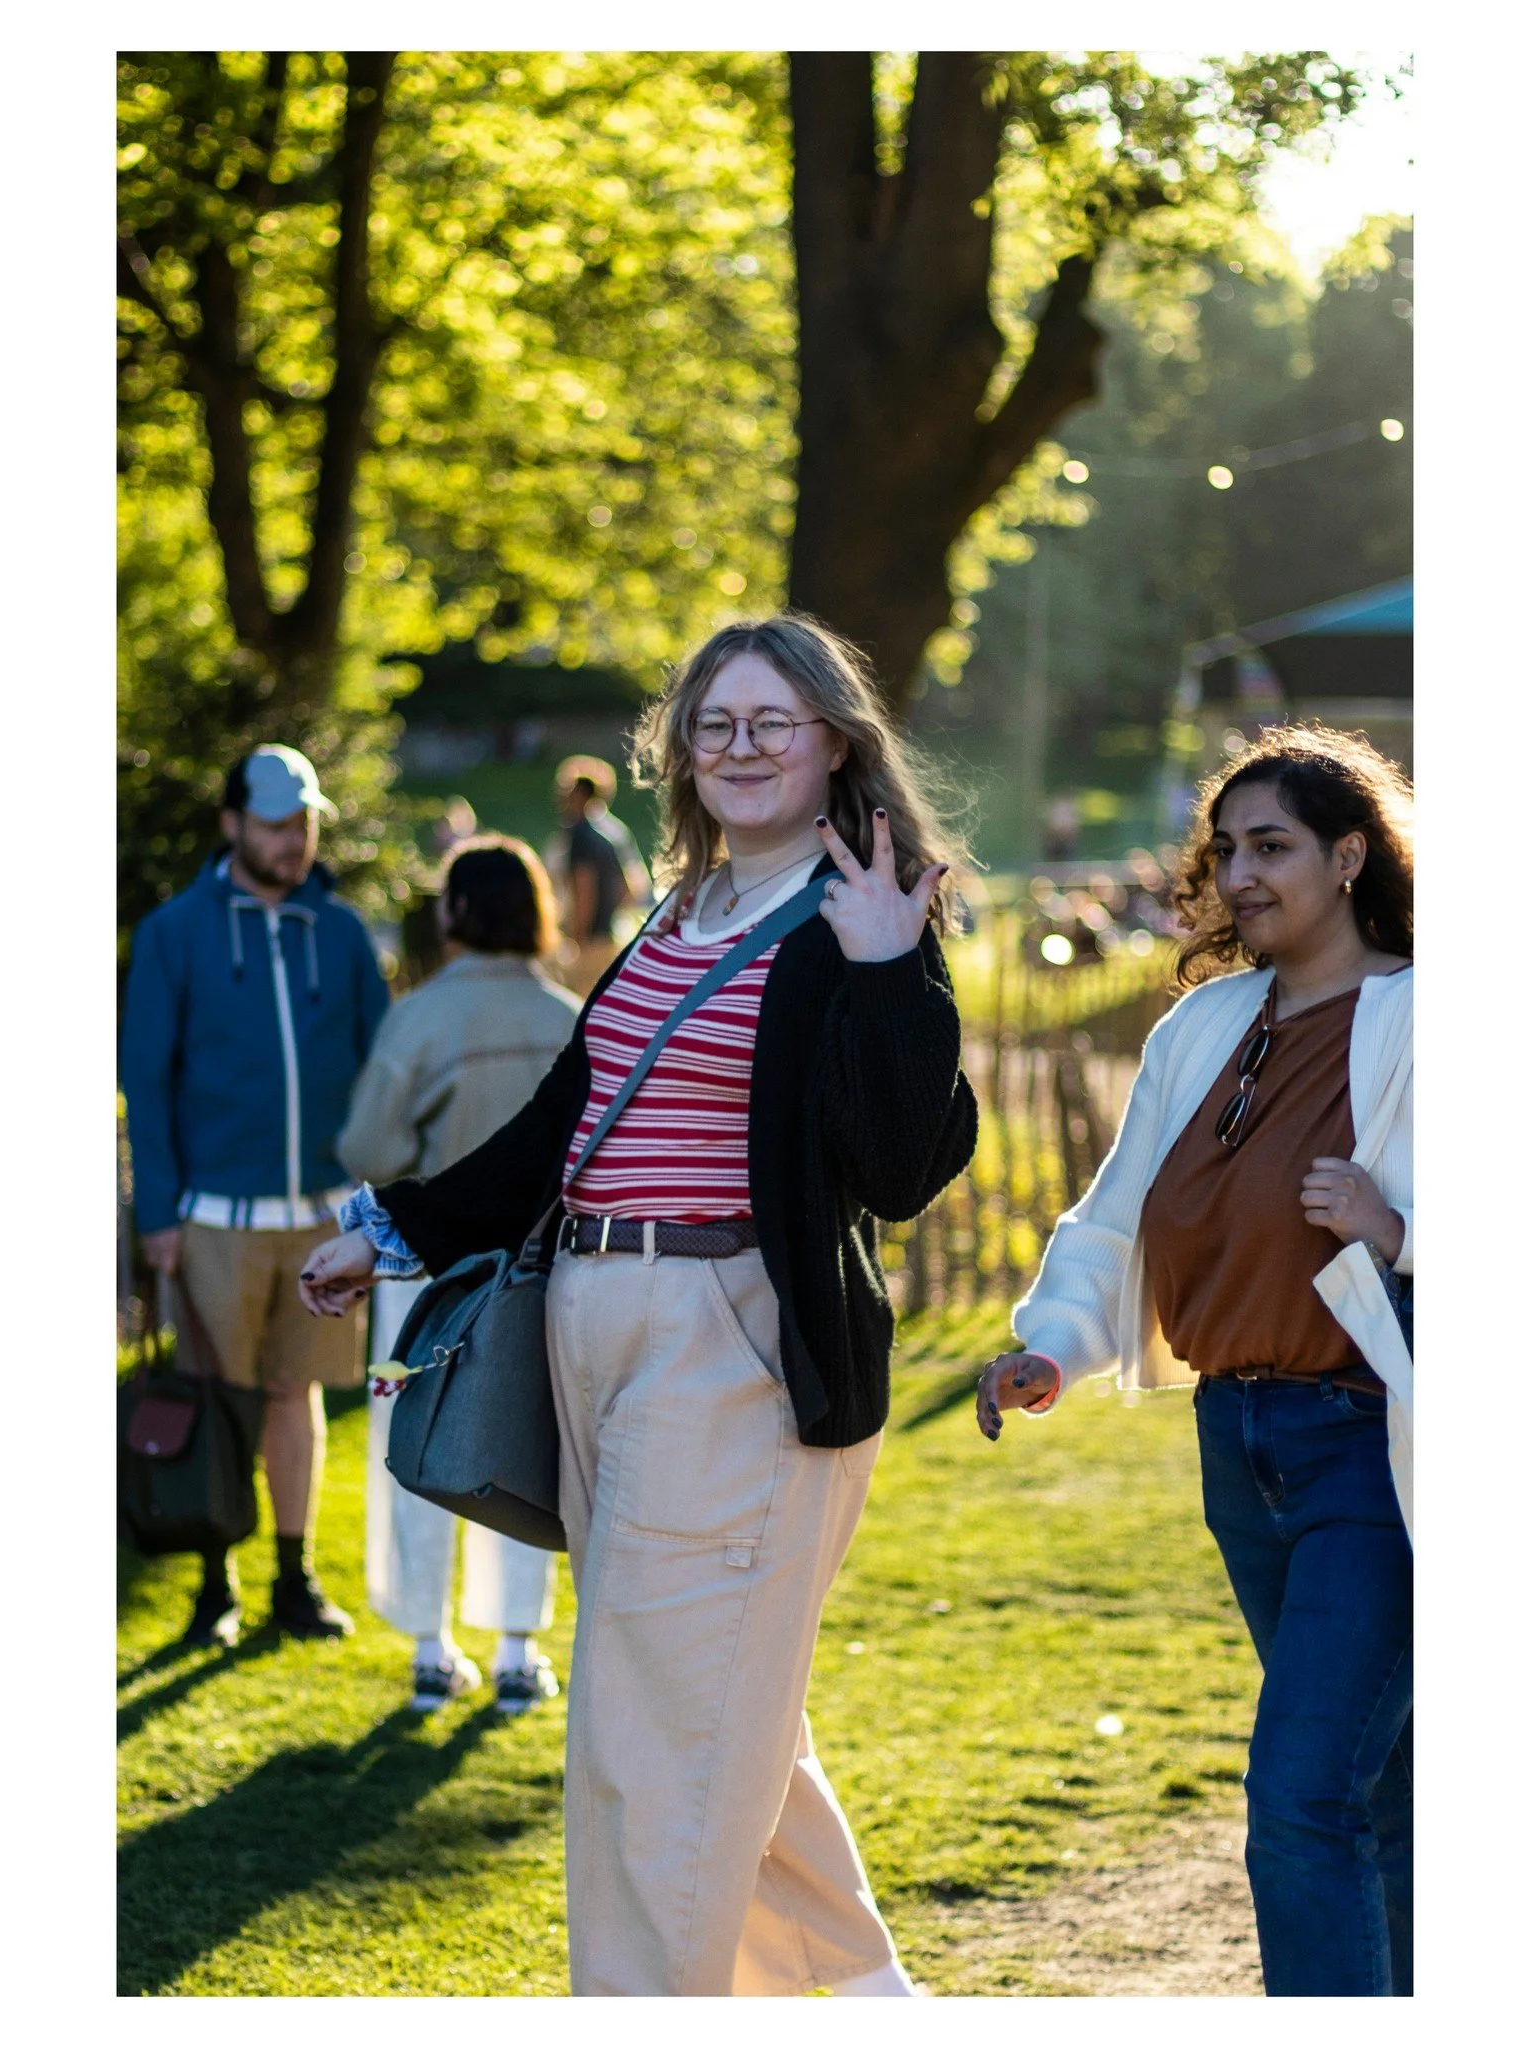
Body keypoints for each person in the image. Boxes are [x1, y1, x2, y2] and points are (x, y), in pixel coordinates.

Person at [300, 613, 977, 1997]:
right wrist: (390, 1227)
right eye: (714, 724)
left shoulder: (855, 910)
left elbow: (903, 1169)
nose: (738, 748)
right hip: (589, 1321)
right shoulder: (685, 909)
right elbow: (568, 1121)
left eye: (771, 723)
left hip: (729, 1335)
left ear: (835, 741)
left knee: (649, 1727)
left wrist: (887, 969)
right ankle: (862, 2003)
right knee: (714, 1711)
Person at [976, 724, 1414, 1997]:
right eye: (1224, 850)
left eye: (1269, 847)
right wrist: (1048, 1349)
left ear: (1347, 856)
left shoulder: (1431, 1018)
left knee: (1299, 1797)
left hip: (1372, 1447)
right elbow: (1111, 1218)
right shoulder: (1203, 1027)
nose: (1237, 875)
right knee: (1374, 1781)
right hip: (1239, 1447)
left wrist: (1399, 1230)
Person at [121, 743, 390, 1647]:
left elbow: (377, 1071)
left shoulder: (343, 933)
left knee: (293, 1394)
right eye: (276, 825)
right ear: (233, 824)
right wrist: (156, 1213)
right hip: (211, 1221)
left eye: (304, 823)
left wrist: (376, 1200)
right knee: (217, 1394)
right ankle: (214, 1580)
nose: (293, 841)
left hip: (322, 1221)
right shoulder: (174, 935)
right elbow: (145, 1083)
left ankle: (293, 1575)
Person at [335, 836, 579, 1715]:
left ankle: (430, 1647)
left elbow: (367, 1148)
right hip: (535, 1279)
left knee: (413, 1448)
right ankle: (517, 1651)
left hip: (422, 1279)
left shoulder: (418, 1019)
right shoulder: (570, 1017)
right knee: (521, 1452)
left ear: (452, 912)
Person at [550, 754, 650, 996]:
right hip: (610, 938)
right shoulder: (615, 832)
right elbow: (632, 888)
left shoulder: (581, 834)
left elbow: (583, 888)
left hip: (587, 942)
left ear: (580, 794)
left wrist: (578, 937)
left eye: (566, 793)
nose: (561, 800)